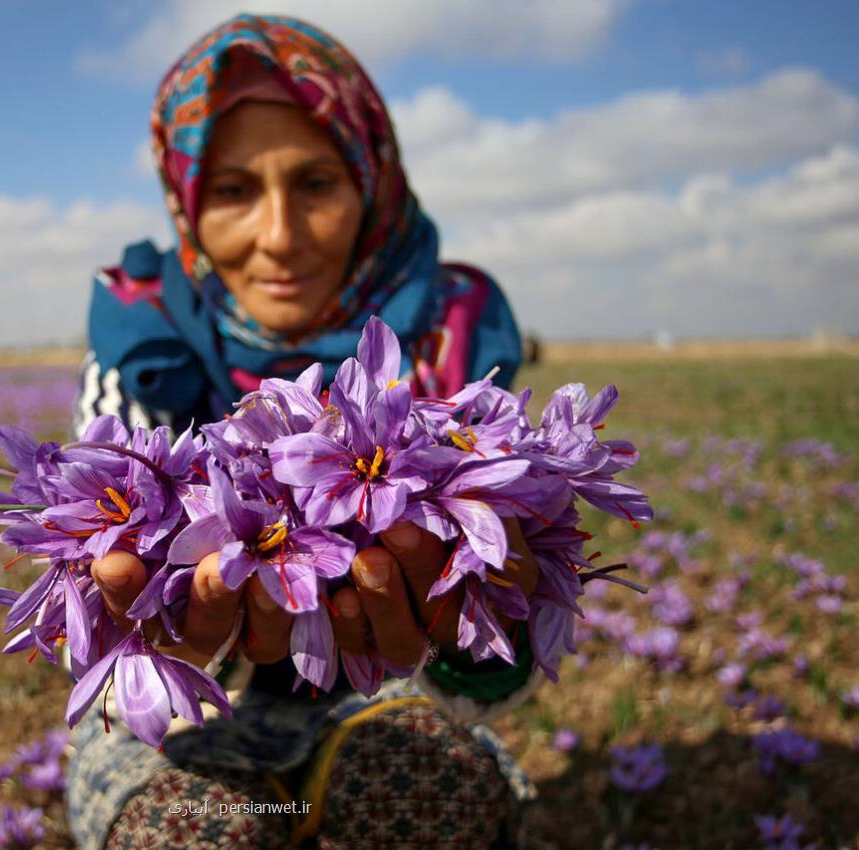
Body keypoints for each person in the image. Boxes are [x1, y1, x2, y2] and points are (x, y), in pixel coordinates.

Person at [65, 15, 544, 850]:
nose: (278, 236)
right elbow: (109, 590)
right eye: (232, 189)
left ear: (371, 181)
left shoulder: (454, 332)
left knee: (428, 795)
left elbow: (496, 662)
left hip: (394, 694)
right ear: (185, 202)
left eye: (316, 183)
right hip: (183, 697)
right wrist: (165, 629)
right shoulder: (143, 337)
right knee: (179, 832)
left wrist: (464, 631)